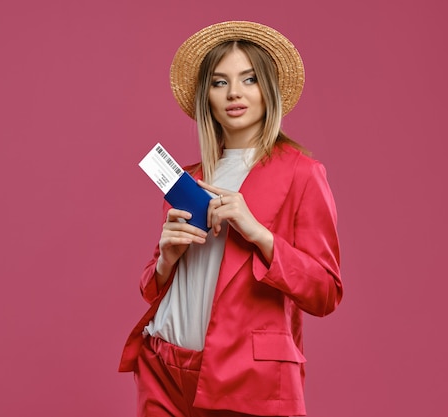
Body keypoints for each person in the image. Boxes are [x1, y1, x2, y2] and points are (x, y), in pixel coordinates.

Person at [119, 21, 343, 416]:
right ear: (207, 96)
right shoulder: (189, 179)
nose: (234, 93)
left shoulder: (302, 174)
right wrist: (165, 260)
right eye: (220, 82)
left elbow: (325, 291)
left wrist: (259, 234)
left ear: (268, 90)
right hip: (162, 369)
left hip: (245, 378)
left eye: (249, 79)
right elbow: (152, 287)